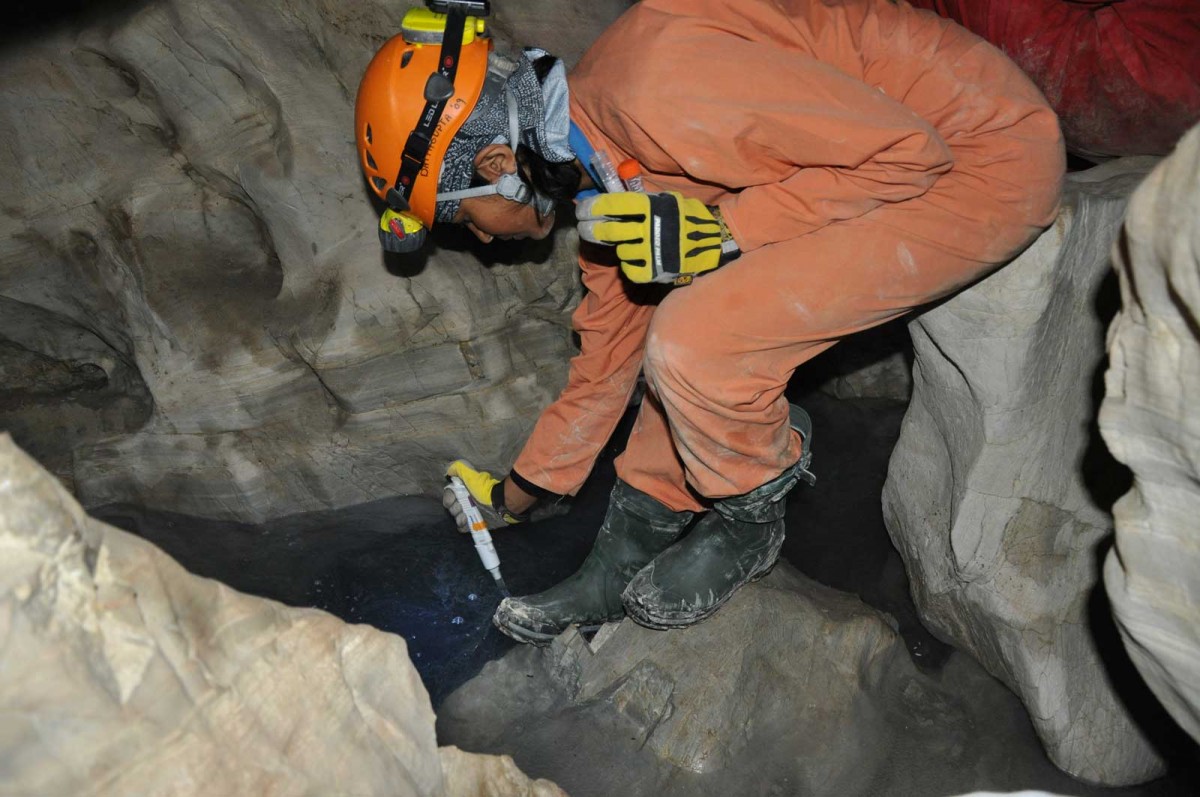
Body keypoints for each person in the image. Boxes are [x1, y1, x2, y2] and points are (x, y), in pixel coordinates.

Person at [354, 0, 1064, 645]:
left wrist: (725, 229)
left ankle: (751, 516)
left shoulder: (655, 86)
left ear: (497, 163)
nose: (478, 240)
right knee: (668, 330)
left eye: (458, 218)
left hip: (982, 151)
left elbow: (907, 155)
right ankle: (617, 560)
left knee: (698, 339)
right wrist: (511, 496)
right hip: (912, 154)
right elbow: (604, 364)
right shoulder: (600, 156)